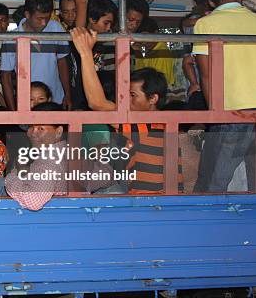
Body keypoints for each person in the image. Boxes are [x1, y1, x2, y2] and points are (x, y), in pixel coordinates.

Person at [71, 26, 184, 194]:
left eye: (132, 95)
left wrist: (85, 53)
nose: (125, 101)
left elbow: (96, 103)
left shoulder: (143, 126)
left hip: (149, 204)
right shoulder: (165, 122)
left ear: (153, 99)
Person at [192, 0, 256, 192]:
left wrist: (214, 114)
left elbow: (206, 73)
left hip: (231, 112)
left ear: (210, 0)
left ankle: (204, 224)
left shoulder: (206, 24)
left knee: (214, 181)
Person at [5, 102, 113, 211]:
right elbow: (106, 175)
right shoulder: (72, 153)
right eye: (31, 127)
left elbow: (34, 200)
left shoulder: (48, 158)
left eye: (41, 128)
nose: (33, 133)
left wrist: (14, 175)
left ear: (59, 132)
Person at [0, 0, 71, 110]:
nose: (43, 23)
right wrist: (13, 111)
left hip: (55, 100)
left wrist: (68, 95)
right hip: (27, 103)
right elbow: (5, 76)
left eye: (46, 19)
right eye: (39, 19)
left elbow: (62, 62)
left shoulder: (56, 28)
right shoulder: (10, 39)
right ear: (27, 14)